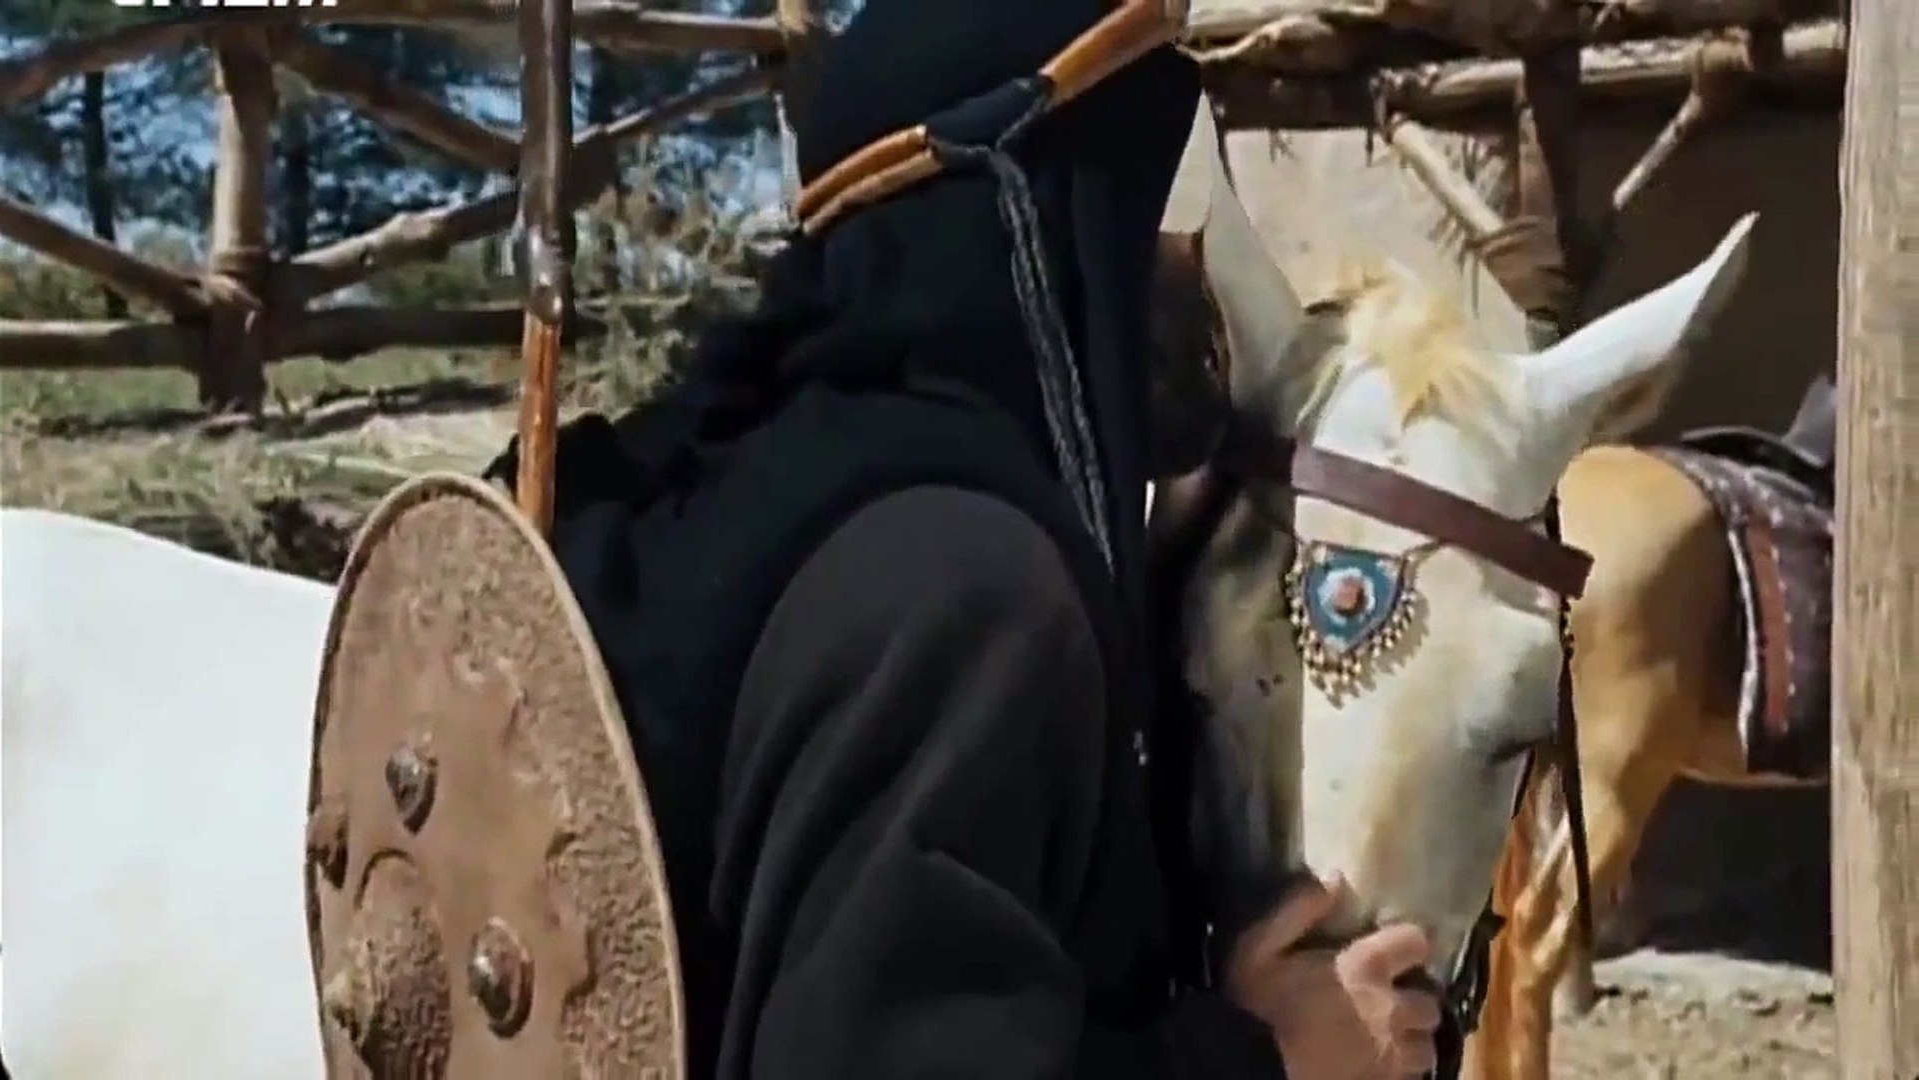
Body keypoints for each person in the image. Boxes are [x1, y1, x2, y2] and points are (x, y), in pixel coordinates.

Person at [487, 0, 1442, 1075]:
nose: (1202, 269)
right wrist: (1270, 1058)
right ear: (1052, 217)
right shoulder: (975, 596)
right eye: (1164, 206)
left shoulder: (682, 496)